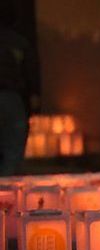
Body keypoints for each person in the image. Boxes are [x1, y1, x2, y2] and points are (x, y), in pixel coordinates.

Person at [0, 5, 38, 176]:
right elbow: (30, 73)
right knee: (13, 151)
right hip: (12, 98)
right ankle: (6, 192)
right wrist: (34, 97)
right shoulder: (20, 43)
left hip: (12, 97)